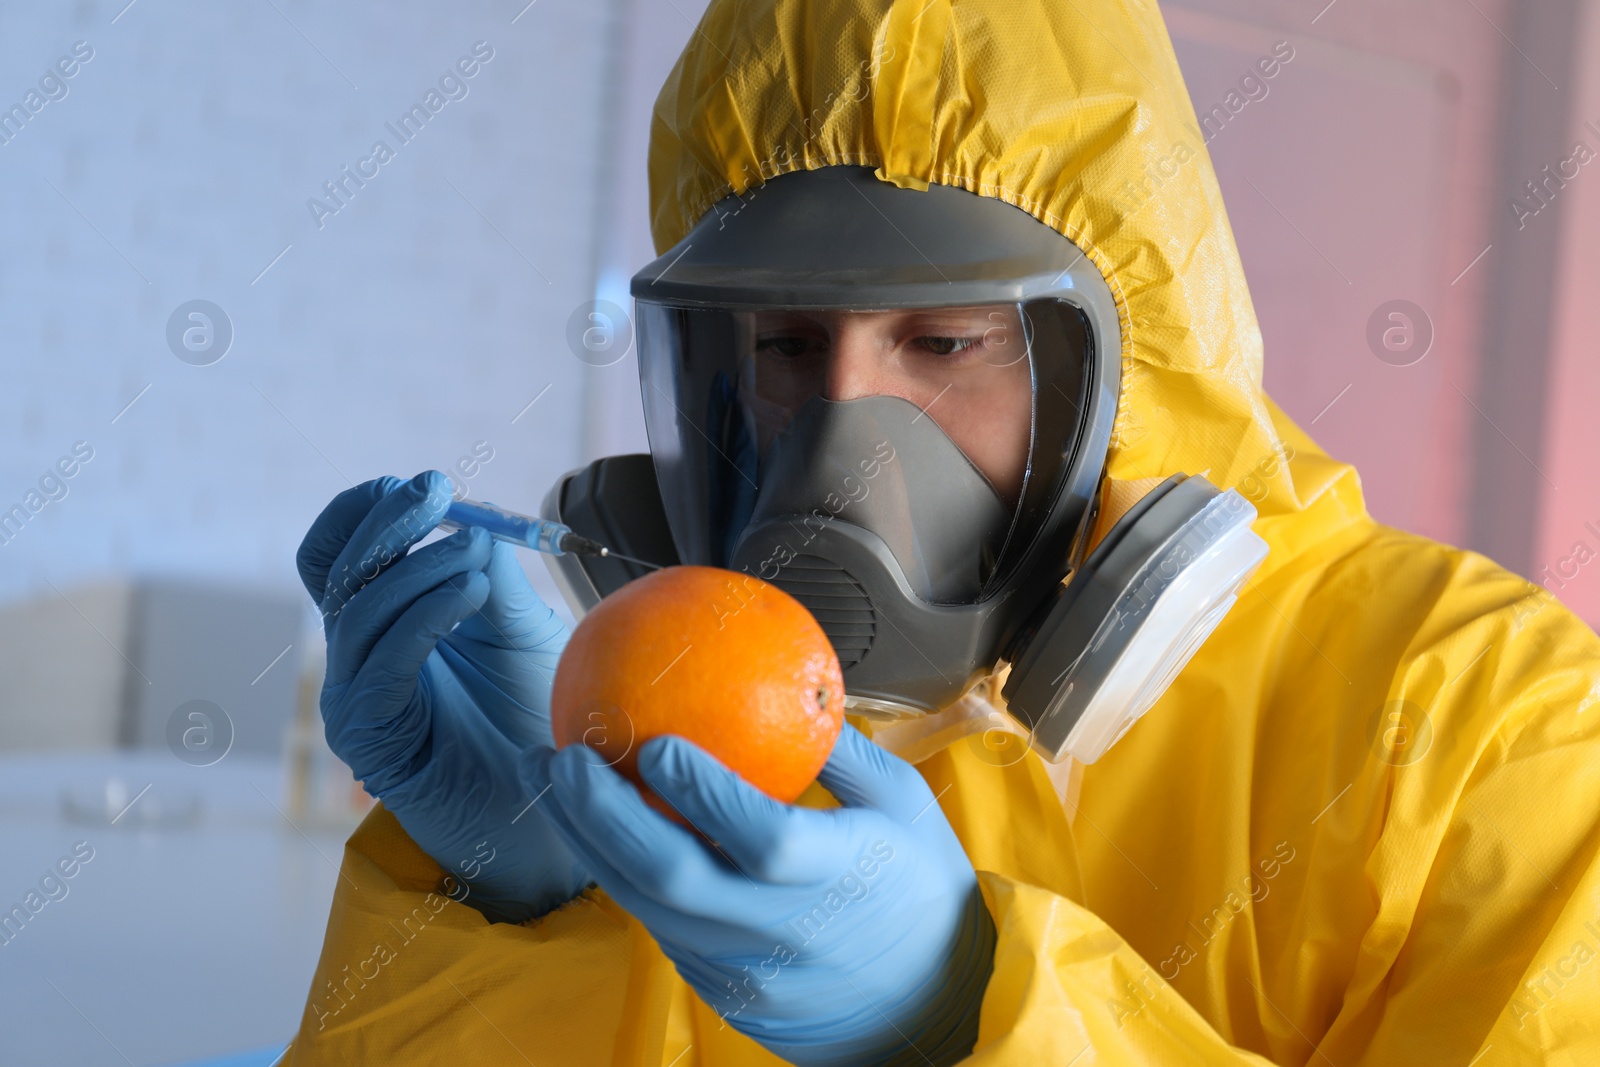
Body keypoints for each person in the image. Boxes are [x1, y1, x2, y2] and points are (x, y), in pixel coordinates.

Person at [284, 0, 1600, 1063]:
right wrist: (516, 907)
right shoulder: (671, 727)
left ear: (1127, 360)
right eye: (788, 346)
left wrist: (966, 1014)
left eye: (948, 343)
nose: (846, 436)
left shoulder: (1475, 723)